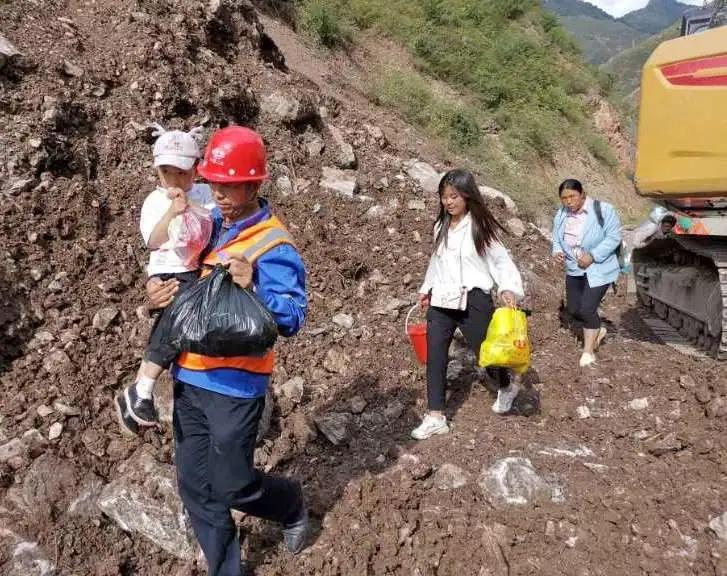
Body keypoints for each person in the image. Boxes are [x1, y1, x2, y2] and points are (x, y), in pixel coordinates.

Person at [146, 126, 309, 575]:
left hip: (236, 385)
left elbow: (293, 318)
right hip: (189, 376)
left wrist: (254, 283)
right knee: (195, 486)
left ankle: (289, 502)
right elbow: (171, 270)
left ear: (254, 184)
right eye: (213, 181)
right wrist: (152, 300)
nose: (217, 192)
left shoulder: (274, 244)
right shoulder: (207, 225)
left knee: (233, 485)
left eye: (228, 184)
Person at [115, 127, 215, 434]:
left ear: (195, 169)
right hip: (170, 270)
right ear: (157, 169)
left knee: (187, 329)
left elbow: (214, 223)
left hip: (198, 269)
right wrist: (173, 210)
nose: (174, 180)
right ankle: (143, 389)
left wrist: (191, 205)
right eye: (167, 172)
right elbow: (154, 241)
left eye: (182, 172)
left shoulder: (206, 194)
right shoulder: (154, 201)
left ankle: (144, 393)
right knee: (180, 316)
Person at [412, 169, 524, 440]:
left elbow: (500, 261)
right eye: (443, 197)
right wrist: (426, 288)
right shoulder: (440, 227)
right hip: (442, 299)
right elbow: (436, 262)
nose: (448, 202)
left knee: (487, 354)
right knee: (436, 356)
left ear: (467, 196)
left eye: (454, 196)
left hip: (473, 299)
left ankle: (507, 384)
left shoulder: (479, 227)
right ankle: (435, 415)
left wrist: (508, 288)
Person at [552, 178, 622, 368]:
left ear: (582, 193)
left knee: (587, 309)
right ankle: (598, 330)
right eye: (564, 198)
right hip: (574, 268)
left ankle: (588, 352)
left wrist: (593, 255)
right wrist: (557, 251)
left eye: (572, 196)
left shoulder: (604, 210)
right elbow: (556, 238)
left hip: (599, 268)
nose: (568, 202)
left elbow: (614, 236)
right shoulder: (561, 214)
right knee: (574, 310)